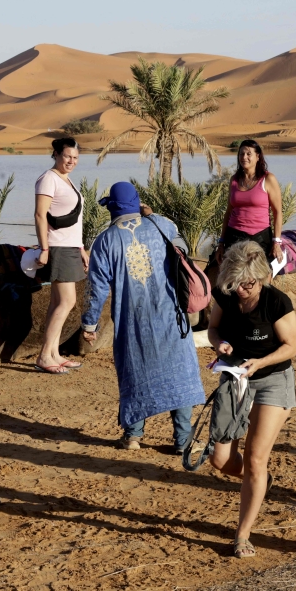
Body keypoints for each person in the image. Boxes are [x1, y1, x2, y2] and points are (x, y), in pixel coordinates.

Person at [81, 181, 203, 452]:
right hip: (170, 315)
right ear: (137, 202)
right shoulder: (162, 226)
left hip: (131, 321)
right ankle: (183, 440)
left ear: (112, 207)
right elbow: (182, 248)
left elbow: (96, 289)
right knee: (178, 372)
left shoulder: (105, 241)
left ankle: (133, 436)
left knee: (134, 372)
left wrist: (89, 324)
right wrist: (150, 213)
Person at [206, 241, 296, 558]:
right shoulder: (227, 295)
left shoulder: (276, 302)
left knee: (256, 458)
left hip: (272, 378)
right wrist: (219, 345)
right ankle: (261, 480)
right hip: (235, 376)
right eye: (236, 284)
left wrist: (260, 362)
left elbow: (291, 347)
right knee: (220, 459)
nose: (242, 290)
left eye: (248, 284)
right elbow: (214, 329)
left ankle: (242, 535)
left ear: (260, 277)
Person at [34, 136, 88, 374]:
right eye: (67, 156)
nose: (71, 161)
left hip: (70, 247)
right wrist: (44, 248)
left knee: (58, 301)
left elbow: (74, 221)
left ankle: (54, 353)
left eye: (75, 158)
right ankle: (45, 355)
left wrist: (81, 248)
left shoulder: (67, 180)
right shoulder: (48, 179)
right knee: (68, 301)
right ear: (55, 154)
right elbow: (39, 215)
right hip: (57, 247)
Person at [215, 139, 285, 264]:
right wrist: (221, 242)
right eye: (241, 154)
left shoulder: (268, 179)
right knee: (227, 275)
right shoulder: (234, 180)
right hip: (234, 236)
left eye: (248, 154)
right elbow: (229, 212)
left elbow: (278, 212)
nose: (244, 157)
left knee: (263, 276)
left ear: (258, 156)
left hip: (260, 236)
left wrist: (277, 242)